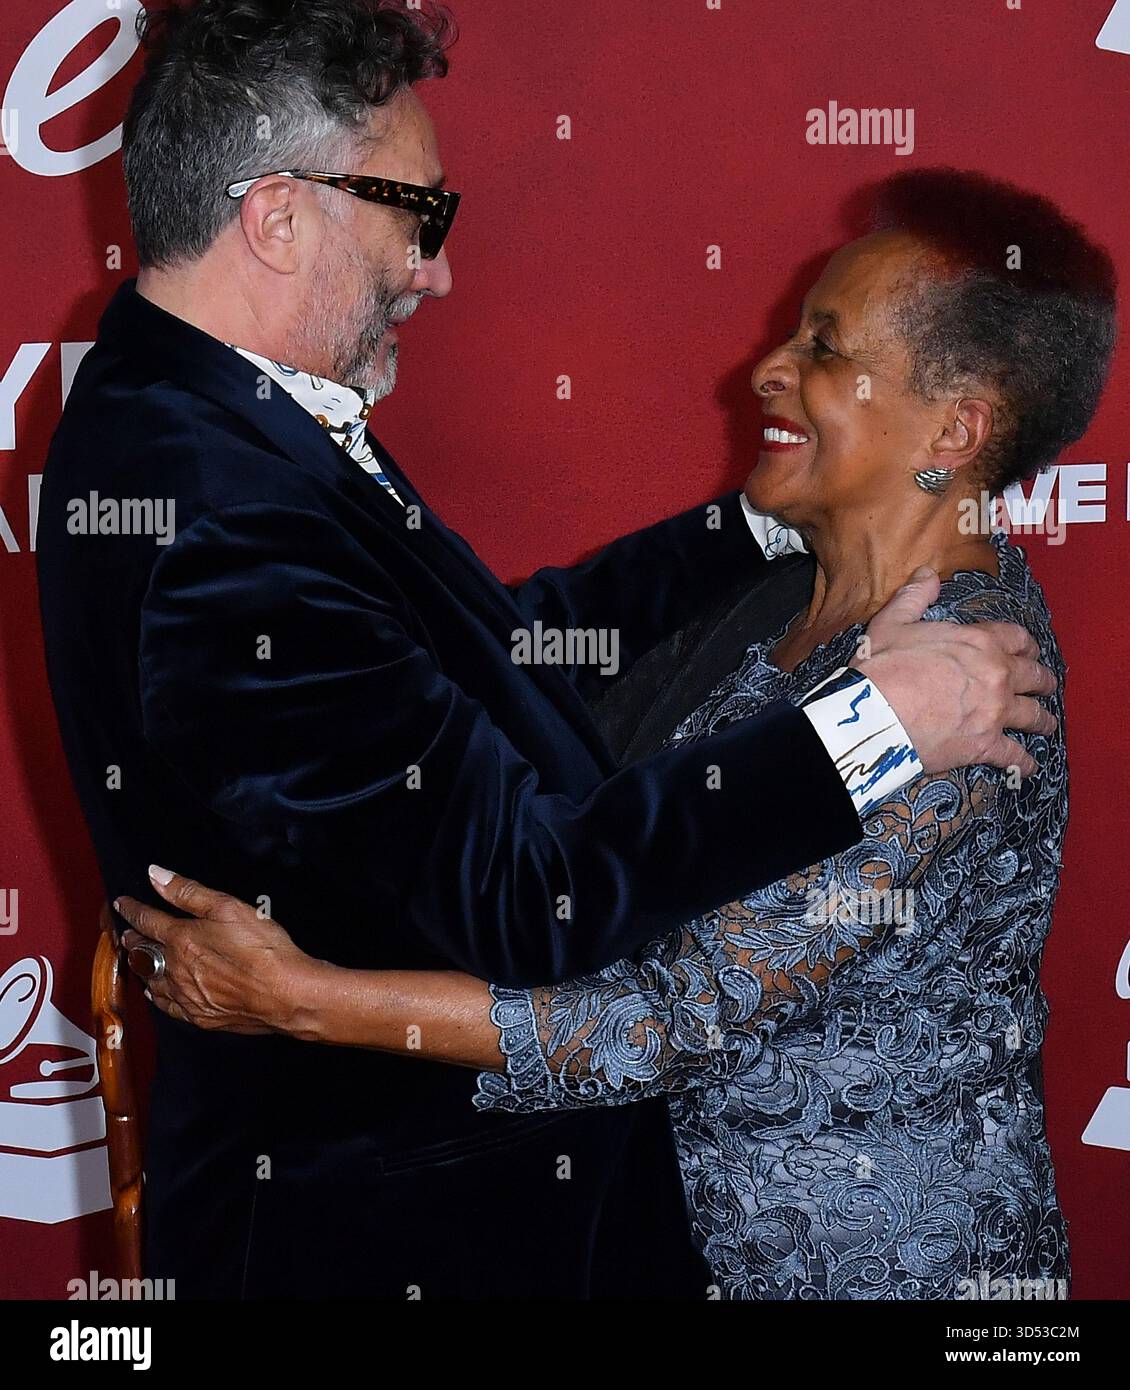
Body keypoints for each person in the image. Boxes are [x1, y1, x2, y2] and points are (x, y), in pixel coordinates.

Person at [39, 0, 1053, 1298]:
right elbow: (535, 897)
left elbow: (494, 657)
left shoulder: (210, 410)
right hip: (397, 1237)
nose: (437, 267)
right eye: (419, 214)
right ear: (279, 217)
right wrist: (871, 723)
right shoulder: (218, 513)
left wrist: (751, 521)